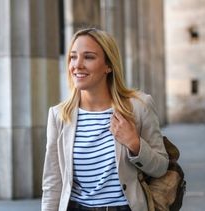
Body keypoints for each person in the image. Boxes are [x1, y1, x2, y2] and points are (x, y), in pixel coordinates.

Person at [41, 28, 169, 211]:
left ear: (108, 65)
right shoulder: (59, 115)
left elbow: (161, 167)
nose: (77, 65)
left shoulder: (139, 107)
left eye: (89, 57)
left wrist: (135, 144)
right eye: (73, 56)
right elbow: (52, 182)